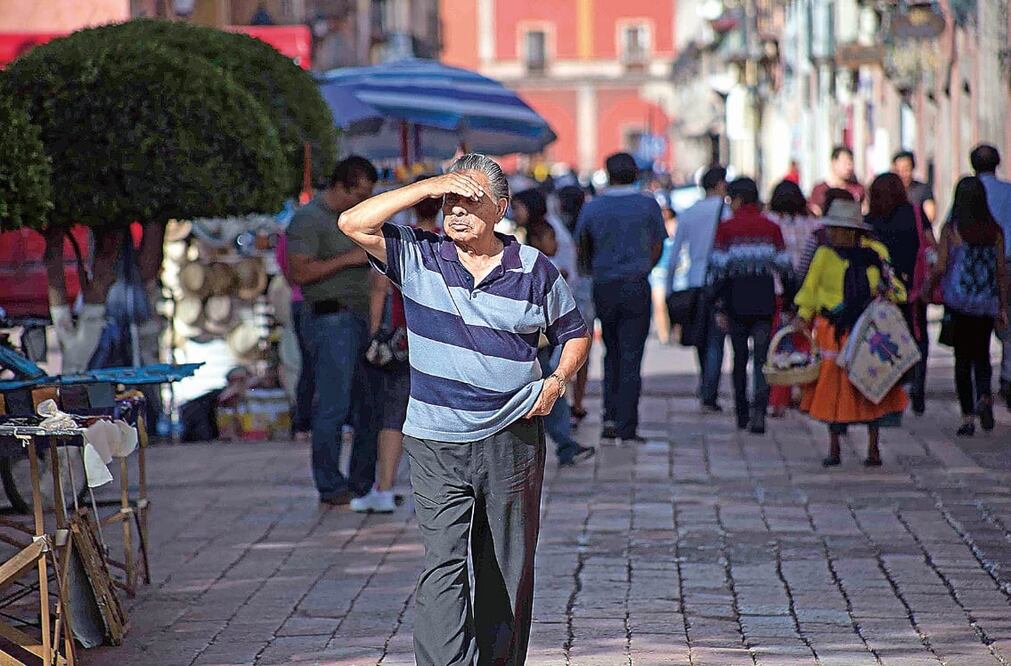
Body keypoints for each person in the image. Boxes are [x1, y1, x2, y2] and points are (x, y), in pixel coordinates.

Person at [338, 153, 591, 665]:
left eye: (469, 202)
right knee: (442, 565)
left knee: (504, 568)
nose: (455, 211)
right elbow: (352, 222)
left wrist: (558, 380)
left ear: (499, 210)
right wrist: (429, 184)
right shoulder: (419, 255)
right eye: (449, 201)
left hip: (512, 437)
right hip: (435, 439)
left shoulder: (534, 270)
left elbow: (576, 332)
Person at [286, 155, 380, 506]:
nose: (363, 201)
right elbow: (299, 273)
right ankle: (329, 483)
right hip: (330, 320)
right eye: (360, 193)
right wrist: (348, 259)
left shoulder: (354, 220)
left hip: (356, 318)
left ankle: (361, 483)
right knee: (333, 405)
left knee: (368, 406)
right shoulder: (309, 220)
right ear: (342, 186)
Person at [794, 200, 908, 467]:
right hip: (832, 331)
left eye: (839, 229)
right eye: (831, 228)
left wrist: (885, 295)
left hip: (867, 330)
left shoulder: (876, 254)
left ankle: (873, 447)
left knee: (872, 387)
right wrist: (803, 315)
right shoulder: (824, 254)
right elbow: (810, 289)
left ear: (854, 231)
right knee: (833, 390)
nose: (833, 234)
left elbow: (894, 287)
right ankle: (834, 448)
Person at [352, 178, 440, 513]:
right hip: (445, 340)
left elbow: (379, 290)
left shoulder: (401, 242)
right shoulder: (452, 244)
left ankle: (385, 488)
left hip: (406, 339)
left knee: (394, 414)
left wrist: (375, 334)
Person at [576, 152, 666, 444]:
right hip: (636, 284)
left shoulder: (594, 207)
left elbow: (583, 247)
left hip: (604, 285)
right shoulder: (648, 204)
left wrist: (595, 270)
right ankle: (627, 424)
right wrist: (643, 268)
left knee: (611, 352)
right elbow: (657, 245)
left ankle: (610, 417)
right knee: (632, 356)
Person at [512, 188, 594, 466]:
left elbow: (560, 269)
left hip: (540, 326)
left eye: (518, 206)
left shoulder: (546, 231)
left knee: (549, 382)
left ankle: (563, 443)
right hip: (535, 324)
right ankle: (561, 443)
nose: (514, 212)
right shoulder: (531, 233)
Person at [708, 178, 796, 433]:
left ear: (736, 199)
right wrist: (790, 301)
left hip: (735, 303)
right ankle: (759, 412)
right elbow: (785, 267)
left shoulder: (727, 228)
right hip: (764, 302)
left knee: (739, 359)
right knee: (761, 359)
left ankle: (741, 413)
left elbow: (718, 269)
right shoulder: (770, 228)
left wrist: (718, 306)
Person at [925, 176, 1008, 436]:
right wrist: (1002, 305)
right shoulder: (994, 231)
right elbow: (1000, 271)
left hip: (959, 302)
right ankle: (984, 395)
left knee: (962, 359)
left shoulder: (952, 229)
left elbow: (941, 266)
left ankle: (967, 416)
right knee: (982, 354)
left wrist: (928, 288)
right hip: (986, 301)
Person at [667, 166, 729, 410]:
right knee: (716, 339)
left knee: (701, 337)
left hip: (694, 282)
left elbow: (674, 254)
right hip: (719, 281)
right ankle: (709, 391)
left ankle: (706, 383)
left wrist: (671, 290)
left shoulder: (690, 212)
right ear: (720, 185)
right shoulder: (725, 213)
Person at [865, 172, 927, 414]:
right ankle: (917, 388)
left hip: (880, 294)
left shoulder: (869, 222)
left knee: (885, 340)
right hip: (913, 289)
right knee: (917, 337)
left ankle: (891, 391)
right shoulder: (914, 214)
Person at [766, 179, 821, 417]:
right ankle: (805, 394)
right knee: (805, 343)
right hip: (808, 293)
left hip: (778, 291)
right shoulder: (813, 225)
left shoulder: (770, 223)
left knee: (780, 345)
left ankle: (778, 399)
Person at [970, 144, 1011, 410]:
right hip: (1009, 263)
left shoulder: (969, 192)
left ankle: (982, 390)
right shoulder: (1009, 191)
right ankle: (1008, 376)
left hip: (979, 270)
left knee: (980, 330)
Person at [556, 185, 595, 425]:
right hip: (585, 287)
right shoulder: (587, 222)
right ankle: (577, 401)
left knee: (562, 349)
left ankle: (564, 399)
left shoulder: (556, 227)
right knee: (582, 347)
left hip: (568, 289)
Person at [275, 231, 313, 441]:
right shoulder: (294, 231)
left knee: (307, 365)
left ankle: (302, 423)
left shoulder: (289, 231)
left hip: (299, 299)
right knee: (311, 364)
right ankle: (303, 421)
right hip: (306, 300)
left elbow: (284, 267)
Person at [649, 193, 678, 344]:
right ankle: (664, 335)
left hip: (677, 271)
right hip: (657, 271)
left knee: (675, 305)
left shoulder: (678, 225)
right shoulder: (653, 226)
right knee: (659, 304)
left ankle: (676, 330)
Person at [809, 146, 866, 216]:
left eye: (850, 163)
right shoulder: (819, 190)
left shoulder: (858, 189)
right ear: (834, 162)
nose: (849, 167)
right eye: (845, 163)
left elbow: (864, 210)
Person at [892, 150, 936, 227]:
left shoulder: (922, 189)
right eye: (898, 170)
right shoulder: (889, 191)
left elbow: (930, 216)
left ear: (913, 168)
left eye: (906, 169)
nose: (902, 174)